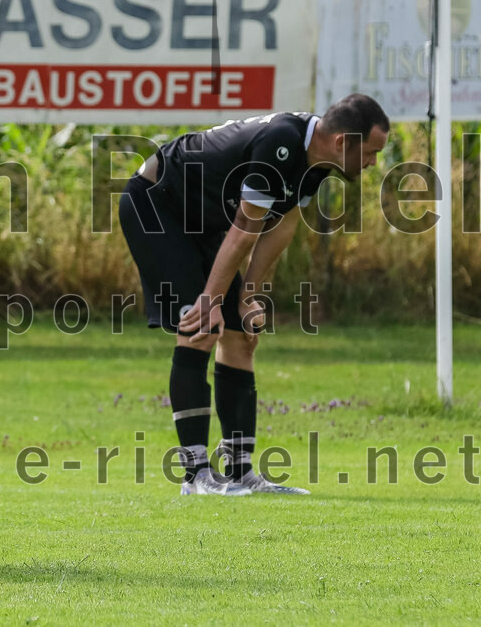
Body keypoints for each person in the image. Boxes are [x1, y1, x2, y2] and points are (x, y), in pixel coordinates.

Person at [118, 96, 389, 496]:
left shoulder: (317, 161)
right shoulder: (281, 143)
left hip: (203, 222)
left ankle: (240, 472)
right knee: (201, 327)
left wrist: (248, 296)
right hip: (156, 205)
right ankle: (195, 476)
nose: (372, 162)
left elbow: (281, 226)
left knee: (242, 336)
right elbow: (246, 226)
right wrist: (211, 300)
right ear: (341, 142)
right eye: (370, 152)